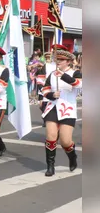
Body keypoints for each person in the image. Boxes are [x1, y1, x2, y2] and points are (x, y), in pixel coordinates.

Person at [39, 44, 81, 177]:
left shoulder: (75, 73)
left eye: (61, 60)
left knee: (65, 141)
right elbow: (44, 89)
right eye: (57, 59)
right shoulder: (52, 74)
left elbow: (79, 84)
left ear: (68, 61)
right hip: (53, 107)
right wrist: (51, 95)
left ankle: (72, 155)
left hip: (68, 109)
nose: (58, 62)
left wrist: (63, 76)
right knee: (50, 136)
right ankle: (50, 166)